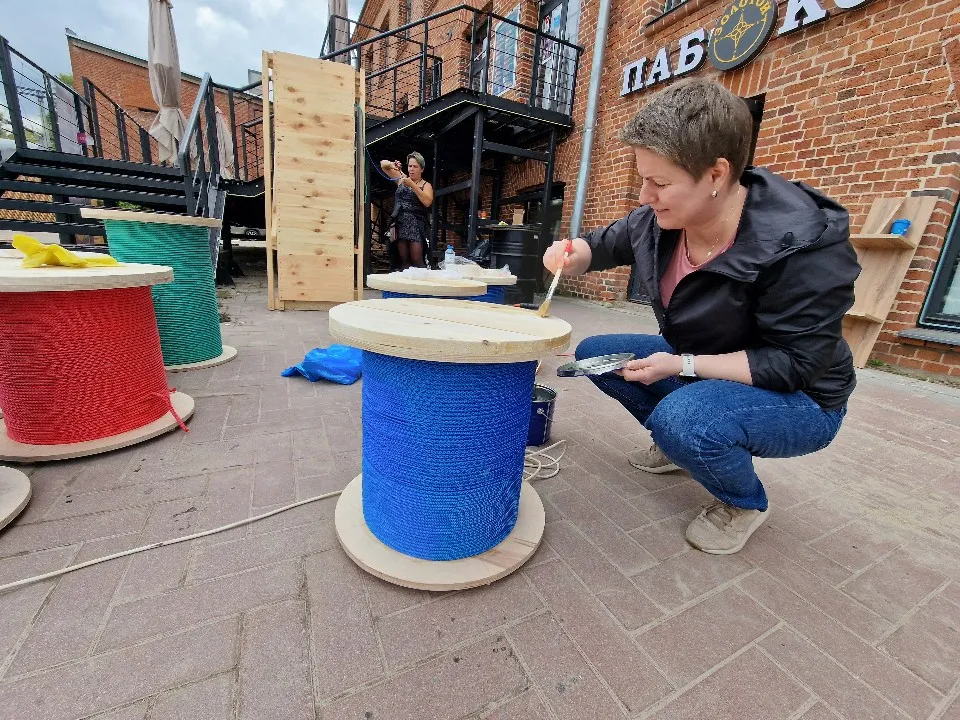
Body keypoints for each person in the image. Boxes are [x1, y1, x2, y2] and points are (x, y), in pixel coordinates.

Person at [542, 79, 860, 555]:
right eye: (643, 178)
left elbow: (794, 364)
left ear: (715, 175)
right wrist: (568, 253)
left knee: (685, 418)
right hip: (704, 359)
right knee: (596, 356)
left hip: (803, 397)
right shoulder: (659, 218)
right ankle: (682, 446)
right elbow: (601, 244)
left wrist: (681, 365)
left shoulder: (803, 248)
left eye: (661, 182)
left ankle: (742, 501)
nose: (646, 195)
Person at [380, 152, 434, 269]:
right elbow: (383, 165)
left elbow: (427, 201)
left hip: (416, 225)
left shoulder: (426, 185)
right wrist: (392, 165)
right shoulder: (401, 178)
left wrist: (413, 186)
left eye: (415, 167)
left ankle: (421, 286)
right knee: (403, 261)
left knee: (417, 261)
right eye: (410, 166)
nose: (412, 169)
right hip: (400, 224)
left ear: (422, 169)